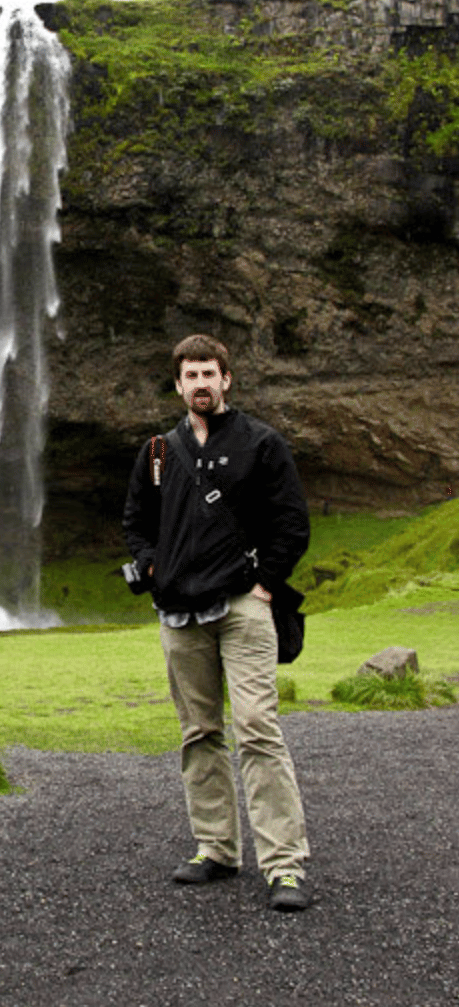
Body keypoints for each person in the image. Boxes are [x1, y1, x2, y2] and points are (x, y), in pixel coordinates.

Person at [122, 334, 312, 912]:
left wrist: (263, 584)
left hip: (240, 607)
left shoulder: (261, 443)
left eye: (210, 373)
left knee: (257, 728)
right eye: (190, 375)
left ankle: (284, 865)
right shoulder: (158, 451)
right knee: (199, 733)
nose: (200, 383)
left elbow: (291, 522)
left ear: (226, 379)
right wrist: (153, 569)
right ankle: (216, 849)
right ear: (177, 385)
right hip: (178, 613)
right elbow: (136, 520)